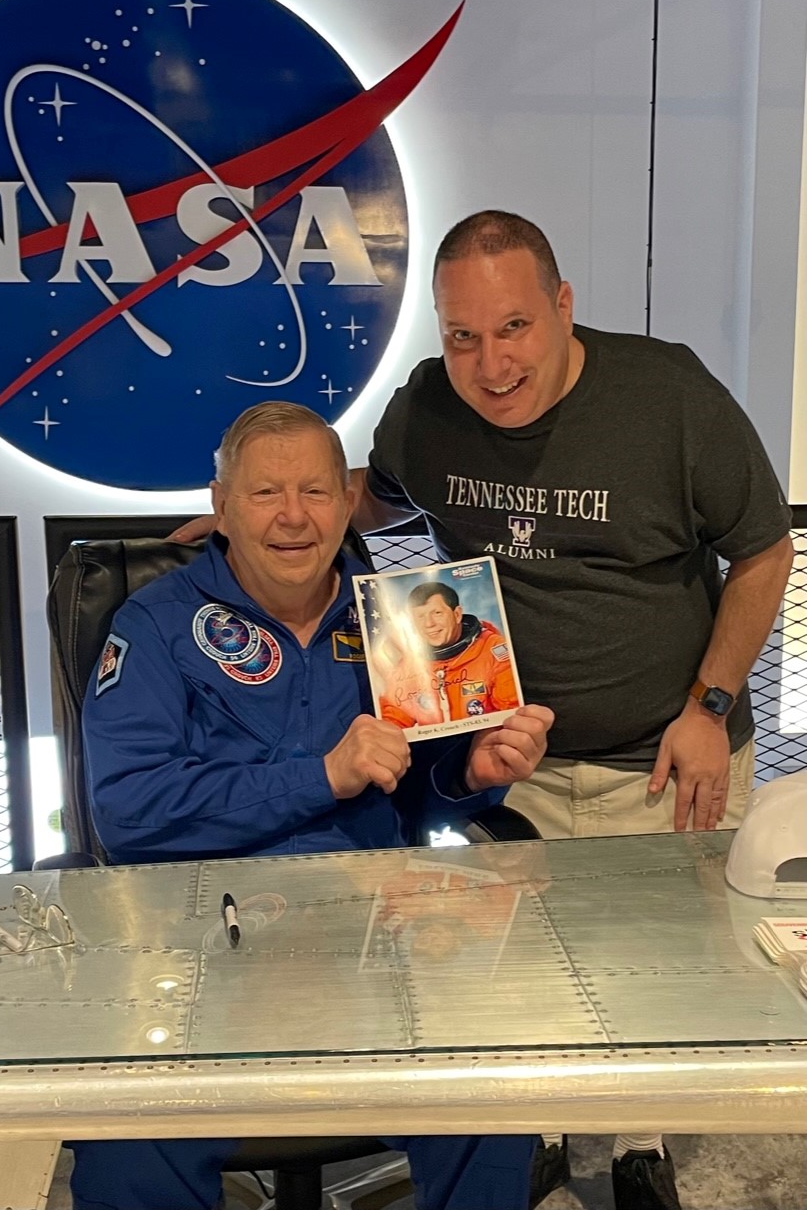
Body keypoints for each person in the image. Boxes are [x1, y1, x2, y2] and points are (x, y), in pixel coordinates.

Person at [170, 212, 795, 1210]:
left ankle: (638, 1153)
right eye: (461, 335)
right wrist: (269, 512)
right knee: (530, 980)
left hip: (667, 751)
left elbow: (763, 550)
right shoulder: (426, 408)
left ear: (560, 306)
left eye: (511, 329)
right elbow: (375, 495)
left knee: (663, 987)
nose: (489, 361)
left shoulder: (669, 394)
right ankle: (532, 1143)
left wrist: (708, 704)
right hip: (512, 757)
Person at [73, 401, 554, 1210]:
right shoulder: (156, 626)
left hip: (377, 934)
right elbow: (128, 810)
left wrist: (473, 773)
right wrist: (319, 776)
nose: (293, 516)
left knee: (490, 1090)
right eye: (265, 494)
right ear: (221, 506)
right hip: (200, 948)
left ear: (346, 502)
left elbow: (419, 803)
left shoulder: (399, 621)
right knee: (128, 1133)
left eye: (315, 492)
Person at [379, 581, 518, 729]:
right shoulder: (409, 666)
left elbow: (511, 712)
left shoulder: (494, 650)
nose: (429, 624)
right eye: (420, 617)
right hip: (436, 749)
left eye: (437, 613)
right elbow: (393, 718)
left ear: (457, 614)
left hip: (487, 742)